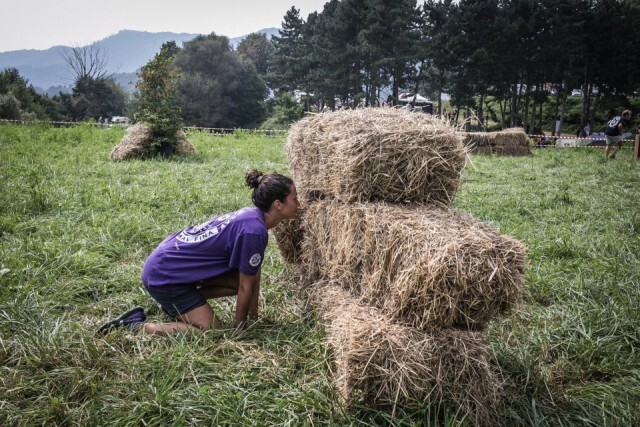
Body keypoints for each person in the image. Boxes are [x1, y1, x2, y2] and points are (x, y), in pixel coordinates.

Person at [97, 170, 300, 336]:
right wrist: (240, 331)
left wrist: (254, 317)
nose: (299, 203)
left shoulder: (251, 217)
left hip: (168, 263)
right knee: (209, 331)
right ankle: (135, 327)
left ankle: (179, 308)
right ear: (277, 204)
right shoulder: (254, 232)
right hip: (164, 276)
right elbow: (246, 287)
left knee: (245, 278)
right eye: (295, 198)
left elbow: (252, 275)